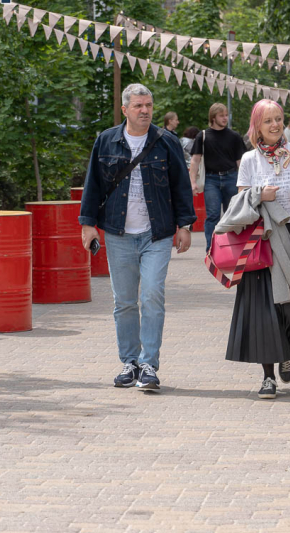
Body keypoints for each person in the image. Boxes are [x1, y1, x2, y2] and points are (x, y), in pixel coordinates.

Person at [79, 83, 196, 392]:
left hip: (156, 233)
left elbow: (181, 186)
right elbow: (92, 185)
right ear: (125, 109)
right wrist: (87, 224)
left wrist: (185, 225)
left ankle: (149, 364)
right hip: (118, 234)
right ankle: (129, 362)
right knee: (125, 302)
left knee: (152, 295)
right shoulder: (106, 141)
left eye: (149, 105)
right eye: (139, 106)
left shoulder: (166, 142)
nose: (145, 110)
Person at [224, 98, 290, 399]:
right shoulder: (250, 160)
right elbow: (241, 201)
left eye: (278, 118)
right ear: (257, 127)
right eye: (268, 121)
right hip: (260, 239)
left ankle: (287, 349)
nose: (275, 125)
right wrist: (259, 194)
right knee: (264, 309)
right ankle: (267, 376)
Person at [189, 103, 247, 252]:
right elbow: (195, 160)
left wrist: (246, 182)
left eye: (226, 115)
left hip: (231, 177)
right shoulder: (202, 136)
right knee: (213, 215)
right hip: (211, 179)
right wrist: (192, 182)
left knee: (232, 214)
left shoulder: (234, 136)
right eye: (221, 115)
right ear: (213, 117)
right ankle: (211, 248)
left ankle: (233, 247)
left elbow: (241, 162)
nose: (225, 118)